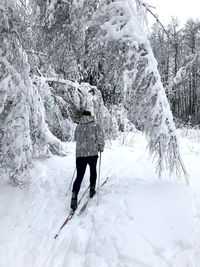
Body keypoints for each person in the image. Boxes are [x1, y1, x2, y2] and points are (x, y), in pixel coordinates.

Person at [70, 110, 105, 211]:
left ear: (83, 116)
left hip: (80, 155)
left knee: (79, 176)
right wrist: (101, 147)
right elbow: (100, 138)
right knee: (93, 171)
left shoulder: (79, 126)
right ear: (90, 116)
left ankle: (74, 195)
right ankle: (92, 188)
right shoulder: (95, 125)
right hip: (92, 154)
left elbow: (76, 138)